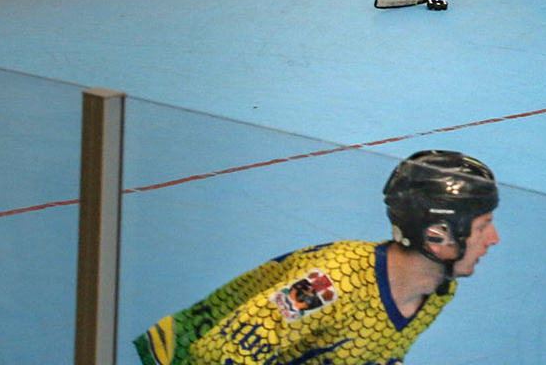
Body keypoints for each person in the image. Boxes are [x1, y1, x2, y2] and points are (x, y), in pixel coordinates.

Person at [133, 150, 500, 365]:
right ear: (437, 236)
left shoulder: (436, 289)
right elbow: (216, 355)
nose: (494, 239)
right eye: (483, 226)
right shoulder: (329, 285)